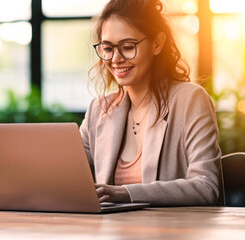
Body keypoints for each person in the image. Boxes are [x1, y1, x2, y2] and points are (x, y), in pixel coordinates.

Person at [80, 0, 222, 206]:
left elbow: (206, 187)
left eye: (128, 47)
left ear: (157, 44)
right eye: (108, 48)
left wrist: (126, 193)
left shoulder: (190, 100)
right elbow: (66, 175)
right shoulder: (99, 110)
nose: (115, 59)